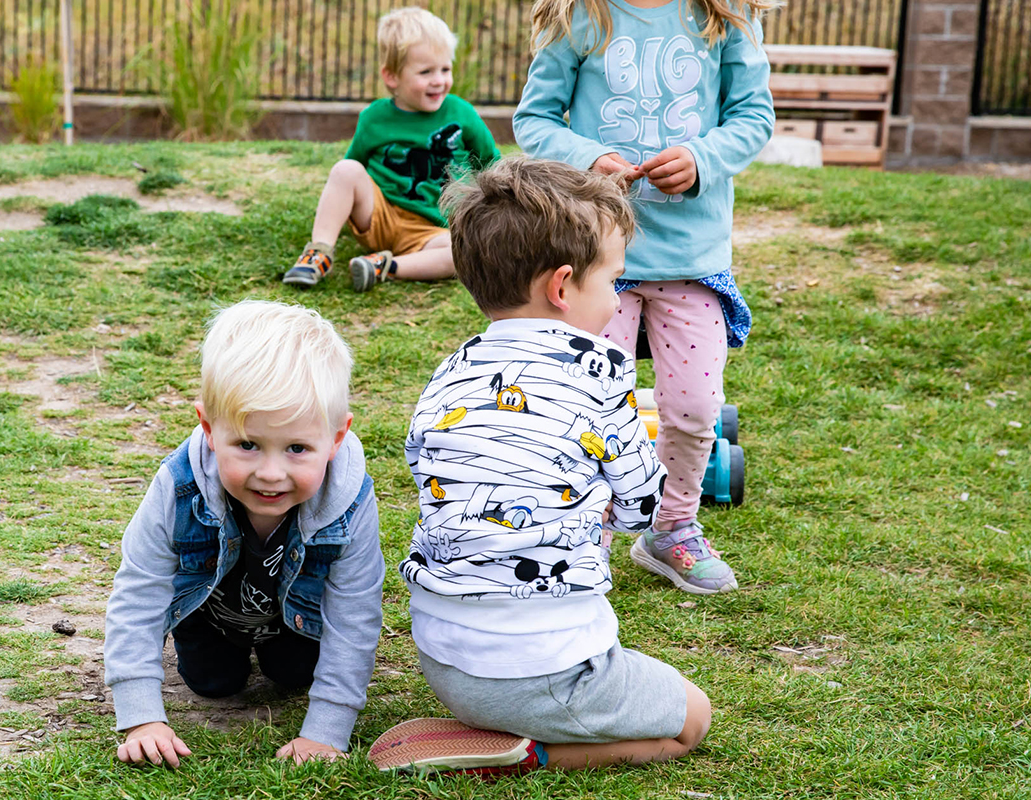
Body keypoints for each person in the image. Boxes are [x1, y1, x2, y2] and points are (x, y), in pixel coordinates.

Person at [369, 157, 711, 775]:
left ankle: (496, 718)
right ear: (561, 287)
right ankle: (532, 753)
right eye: (613, 281)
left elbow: (428, 467)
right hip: (540, 670)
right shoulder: (604, 371)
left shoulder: (449, 371)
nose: (616, 298)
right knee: (692, 719)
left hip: (443, 660)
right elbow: (641, 509)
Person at [513, 0, 778, 594]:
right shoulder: (579, 14)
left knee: (693, 406)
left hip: (692, 258)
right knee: (589, 402)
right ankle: (587, 533)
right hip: (597, 256)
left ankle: (673, 526)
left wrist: (702, 158)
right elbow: (535, 119)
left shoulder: (725, 15)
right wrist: (587, 159)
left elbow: (753, 115)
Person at [104, 300, 385, 767]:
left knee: (294, 675)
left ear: (336, 439)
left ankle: (281, 648)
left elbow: (354, 613)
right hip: (212, 614)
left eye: (297, 448)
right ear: (210, 429)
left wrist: (327, 731)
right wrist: (140, 716)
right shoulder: (178, 486)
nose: (270, 473)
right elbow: (140, 588)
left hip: (298, 619)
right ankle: (217, 642)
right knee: (213, 684)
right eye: (248, 445)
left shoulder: (349, 499)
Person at [282, 6, 501, 292]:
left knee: (461, 252)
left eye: (445, 69)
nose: (439, 80)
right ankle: (319, 253)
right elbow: (353, 168)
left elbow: (491, 163)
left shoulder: (462, 113)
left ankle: (383, 266)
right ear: (392, 77)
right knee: (345, 171)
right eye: (425, 72)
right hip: (379, 215)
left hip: (434, 228)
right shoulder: (374, 118)